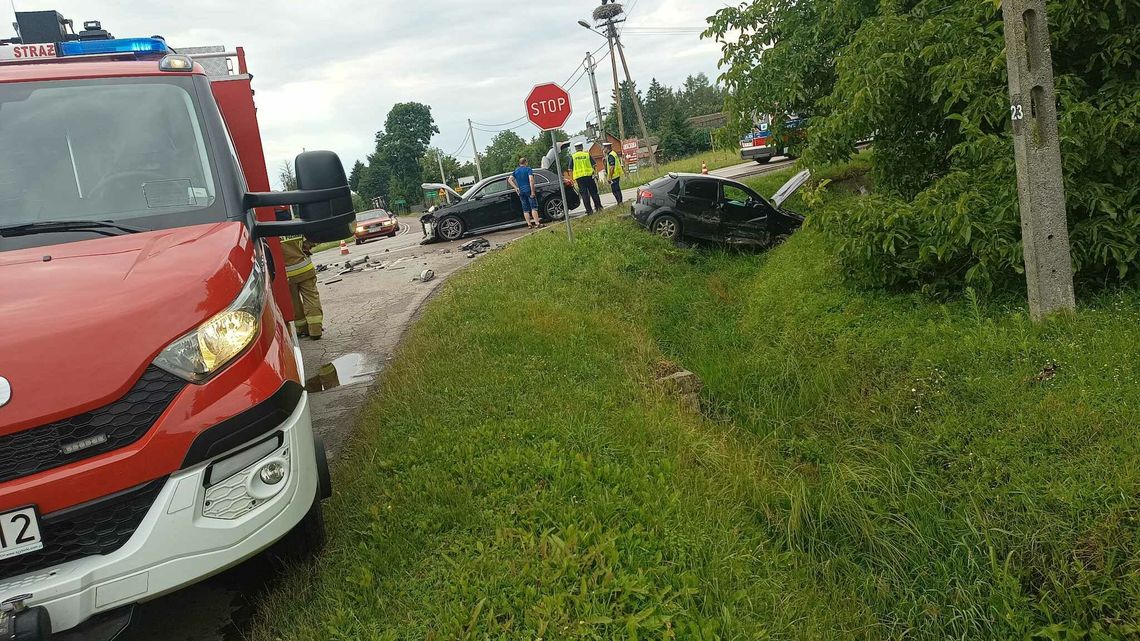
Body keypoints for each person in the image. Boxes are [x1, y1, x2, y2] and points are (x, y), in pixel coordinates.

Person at [276, 208, 324, 340]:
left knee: (294, 302)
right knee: (311, 298)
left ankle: (302, 329)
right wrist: (305, 247)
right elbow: (313, 240)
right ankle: (315, 330)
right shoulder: (298, 225)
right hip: (305, 269)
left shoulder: (272, 230)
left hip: (287, 274)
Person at [508, 157, 542, 229]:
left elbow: (509, 179)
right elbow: (531, 180)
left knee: (525, 209)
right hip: (528, 190)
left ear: (519, 163)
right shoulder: (528, 169)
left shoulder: (516, 171)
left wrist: (516, 188)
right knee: (533, 207)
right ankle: (537, 223)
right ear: (526, 162)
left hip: (521, 191)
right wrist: (532, 191)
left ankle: (529, 224)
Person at [572, 142, 603, 214]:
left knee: (585, 195)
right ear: (582, 147)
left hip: (579, 178)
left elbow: (570, 169)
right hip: (589, 177)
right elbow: (594, 165)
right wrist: (595, 174)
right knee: (594, 193)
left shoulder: (573, 156)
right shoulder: (587, 154)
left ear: (576, 149)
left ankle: (589, 211)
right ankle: (598, 207)